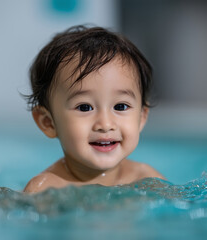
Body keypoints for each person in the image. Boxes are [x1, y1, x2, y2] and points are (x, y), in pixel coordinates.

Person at [23, 25, 165, 193]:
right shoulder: (45, 189)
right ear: (48, 123)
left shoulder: (147, 179)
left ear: (141, 117)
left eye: (120, 106)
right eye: (84, 107)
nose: (105, 124)